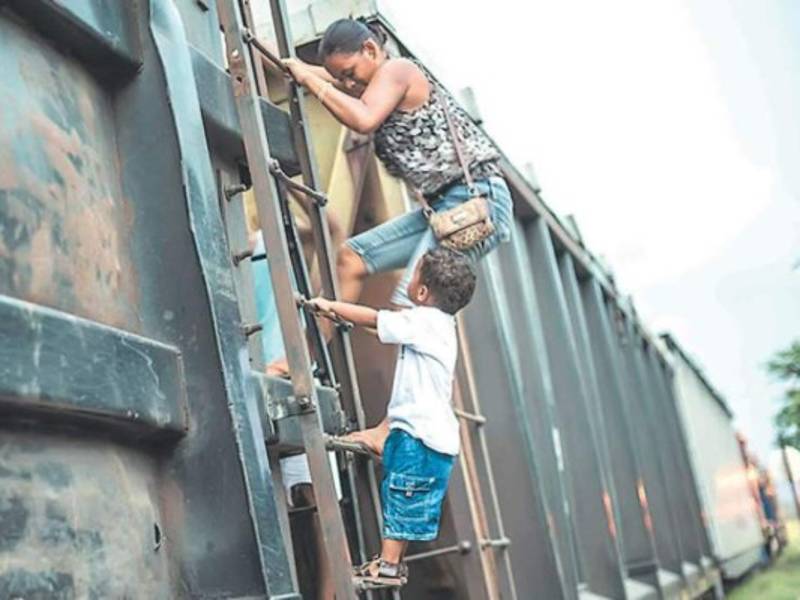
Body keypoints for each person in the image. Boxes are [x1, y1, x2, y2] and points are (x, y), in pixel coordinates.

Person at [268, 18, 513, 376]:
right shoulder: (371, 82)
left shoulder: (398, 71)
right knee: (351, 259)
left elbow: (364, 118)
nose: (349, 84)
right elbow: (322, 77)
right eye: (342, 79)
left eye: (351, 74)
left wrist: (310, 80)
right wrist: (289, 65)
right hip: (442, 207)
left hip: (475, 201)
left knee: (414, 304)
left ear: (371, 50)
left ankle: (409, 410)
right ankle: (301, 362)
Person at [307, 248, 477, 586]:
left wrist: (329, 307)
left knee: (402, 498)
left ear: (422, 292)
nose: (408, 279)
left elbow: (374, 319)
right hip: (424, 435)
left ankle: (388, 566)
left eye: (413, 275)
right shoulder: (440, 325)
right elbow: (386, 328)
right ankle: (390, 563)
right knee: (403, 497)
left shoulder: (423, 321)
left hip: (421, 437)